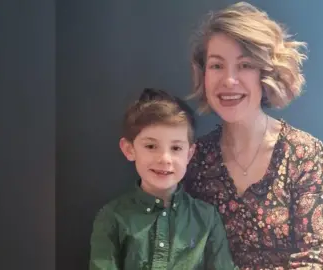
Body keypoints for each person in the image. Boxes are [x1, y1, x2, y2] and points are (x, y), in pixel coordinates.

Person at [184, 2, 323, 269]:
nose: (229, 80)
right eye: (217, 66)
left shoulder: (305, 155)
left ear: (266, 74)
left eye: (244, 65)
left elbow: (316, 261)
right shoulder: (195, 160)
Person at [89, 88, 237, 270]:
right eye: (151, 146)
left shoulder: (206, 218)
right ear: (129, 149)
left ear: (189, 154)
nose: (165, 158)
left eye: (176, 148)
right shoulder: (112, 217)